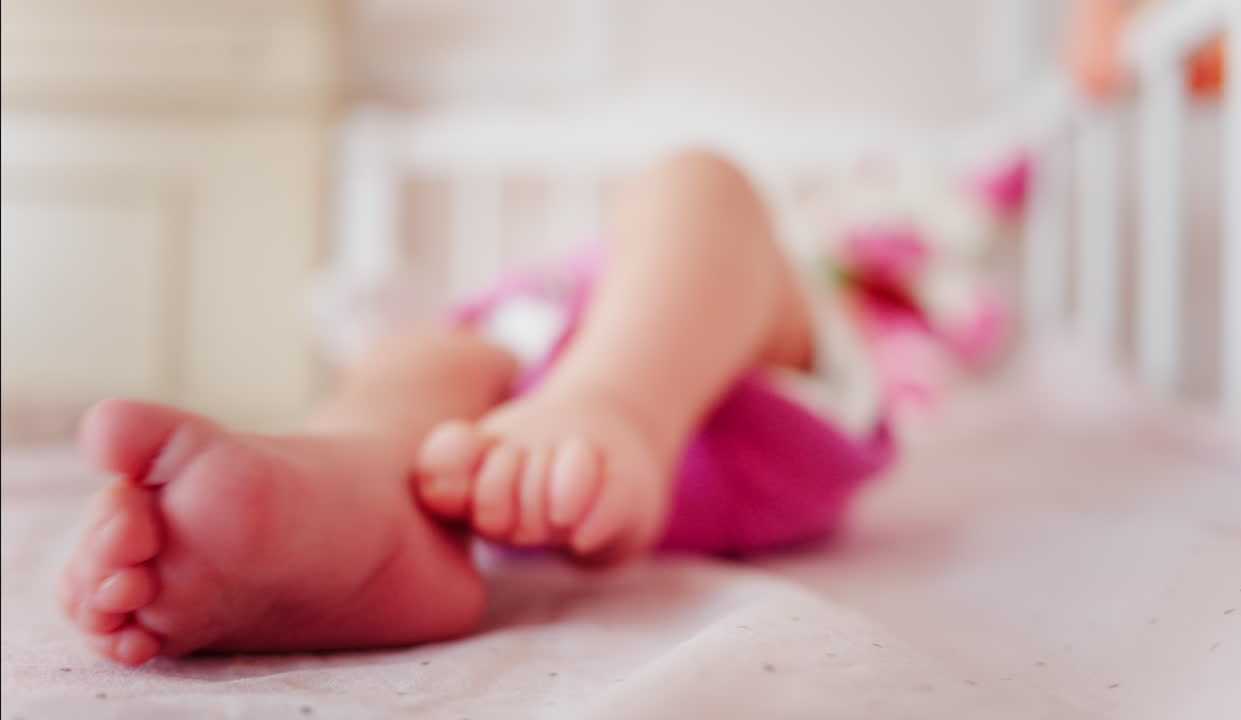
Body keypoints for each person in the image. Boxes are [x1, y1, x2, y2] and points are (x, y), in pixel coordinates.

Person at [58, 149, 892, 666]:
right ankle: (355, 504)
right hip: (492, 453)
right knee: (412, 368)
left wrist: (598, 394)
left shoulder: (829, 287)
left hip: (703, 384)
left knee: (700, 183)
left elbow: (724, 261)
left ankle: (616, 409)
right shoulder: (502, 326)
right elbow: (462, 367)